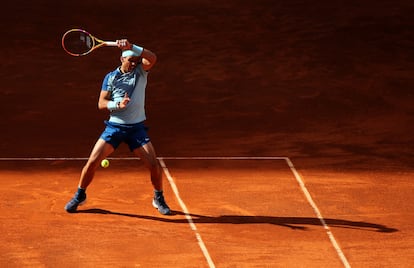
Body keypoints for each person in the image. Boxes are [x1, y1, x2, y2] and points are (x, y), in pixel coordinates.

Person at [64, 39, 171, 215]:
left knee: (153, 164)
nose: (134, 63)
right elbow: (101, 103)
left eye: (136, 60)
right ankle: (80, 195)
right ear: (122, 59)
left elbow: (152, 57)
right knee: (92, 162)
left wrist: (132, 47)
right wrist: (117, 105)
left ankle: (158, 197)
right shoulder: (110, 77)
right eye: (131, 60)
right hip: (115, 127)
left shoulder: (141, 72)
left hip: (136, 128)